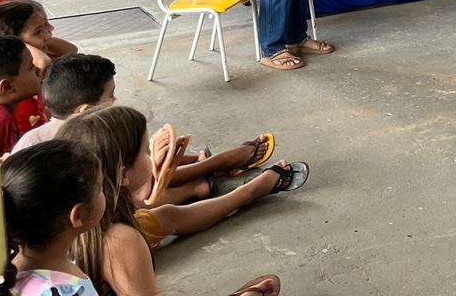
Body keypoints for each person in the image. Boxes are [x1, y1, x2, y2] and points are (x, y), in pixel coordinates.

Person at [60, 106, 307, 294]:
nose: (151, 156)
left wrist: (155, 174)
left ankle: (245, 192)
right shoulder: (121, 240)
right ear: (123, 175)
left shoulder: (83, 208)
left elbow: (143, 199)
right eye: (146, 152)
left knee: (165, 215)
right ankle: (243, 189)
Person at [0, 139, 104, 296]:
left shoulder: (7, 274)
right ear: (77, 215)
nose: (103, 193)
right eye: (100, 187)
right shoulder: (61, 292)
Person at [0, 0, 76, 134]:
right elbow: (44, 62)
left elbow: (70, 51)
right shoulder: (23, 75)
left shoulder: (28, 72)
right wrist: (16, 43)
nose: (48, 34)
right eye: (39, 31)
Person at [11, 54, 114, 154]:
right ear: (87, 110)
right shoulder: (105, 142)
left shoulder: (29, 142)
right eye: (111, 95)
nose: (114, 100)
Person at [0, 37, 42, 156]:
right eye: (31, 67)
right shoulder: (0, 120)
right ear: (7, 87)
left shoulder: (7, 112)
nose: (39, 70)